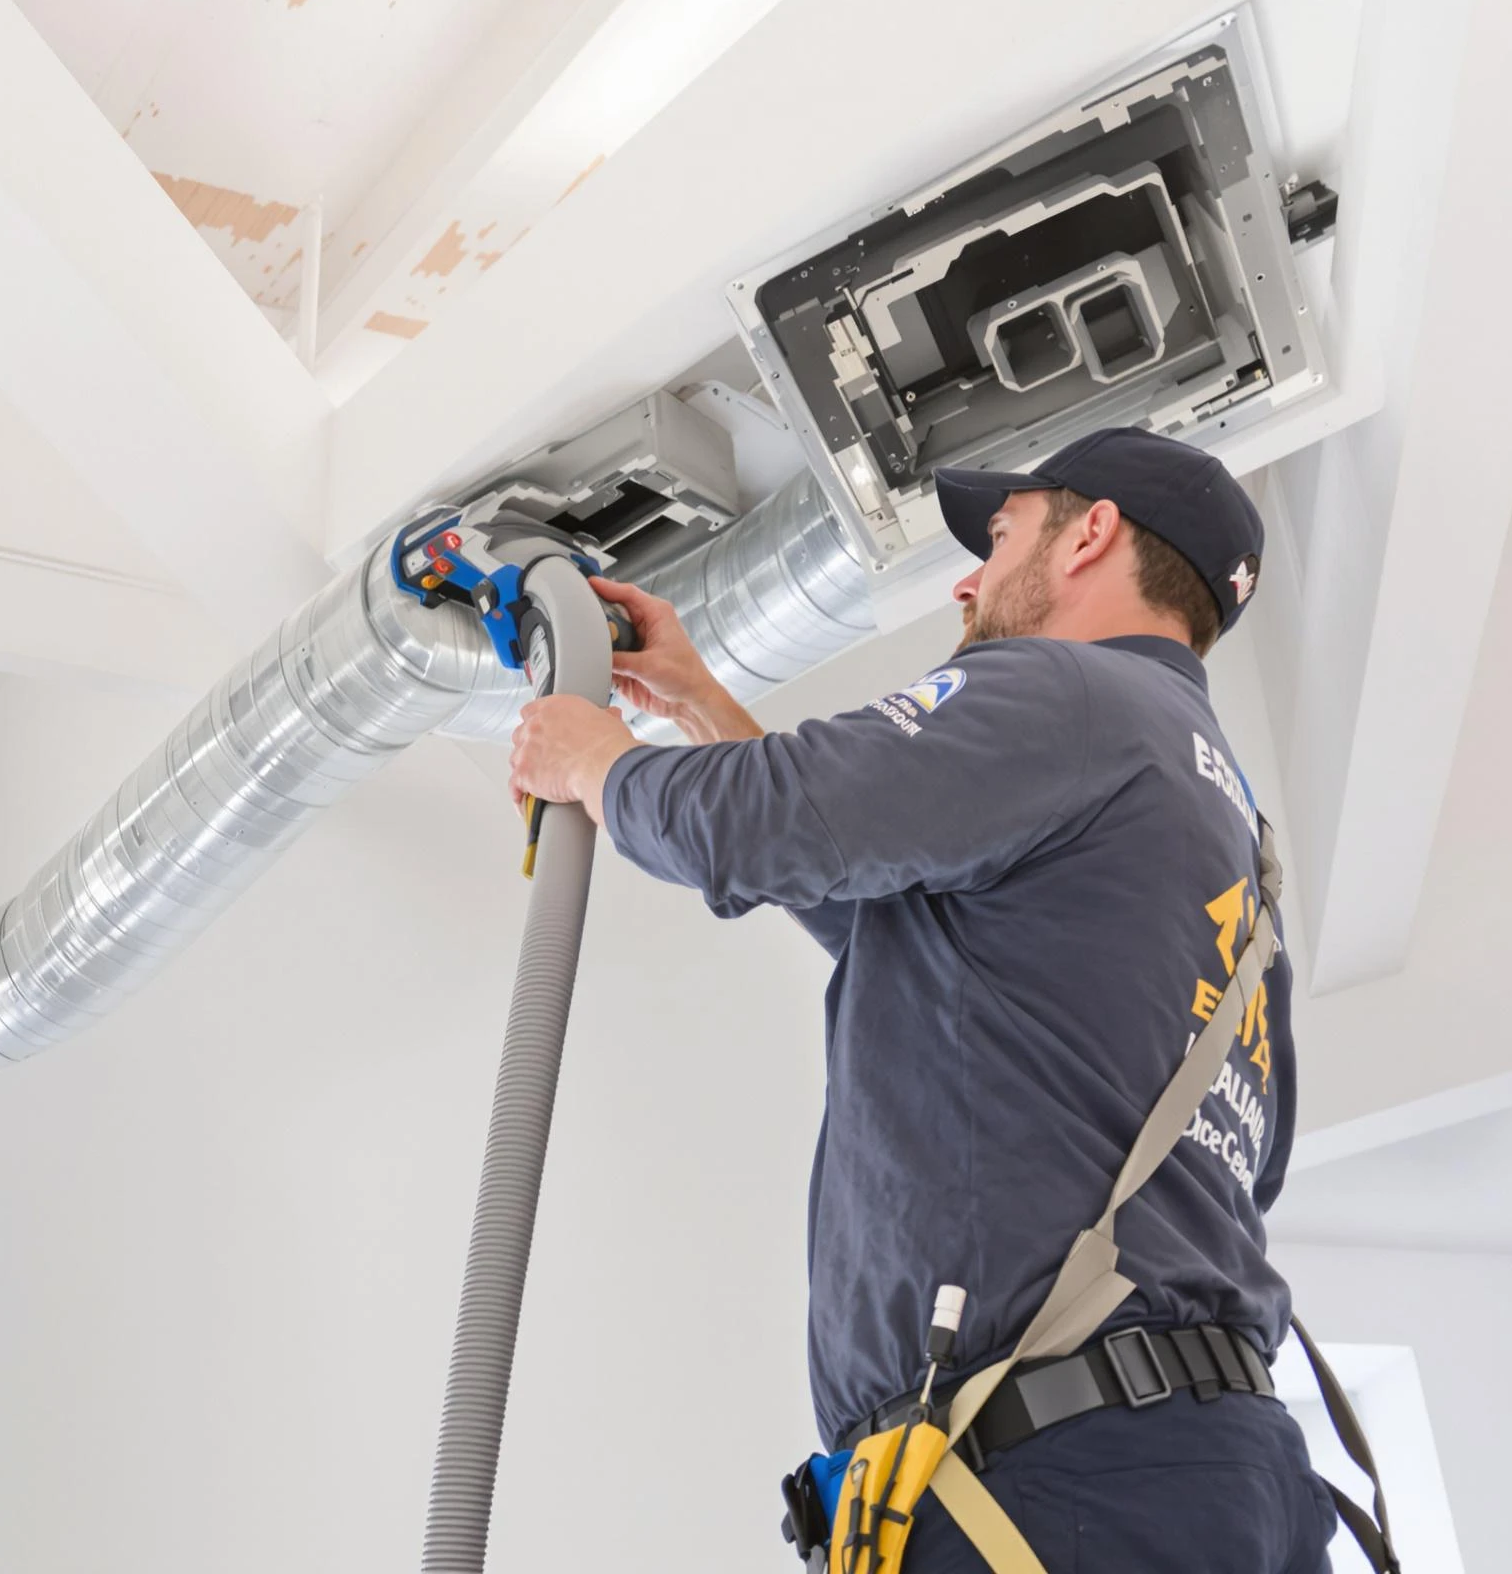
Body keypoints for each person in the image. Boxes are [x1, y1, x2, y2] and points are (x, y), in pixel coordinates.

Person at [507, 427, 1339, 1572]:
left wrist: (593, 764)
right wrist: (701, 704)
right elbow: (920, 931)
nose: (967, 578)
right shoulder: (1229, 833)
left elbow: (766, 820)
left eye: (1001, 539)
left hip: (1061, 1477)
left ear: (1089, 531)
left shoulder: (1066, 692)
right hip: (1213, 1473)